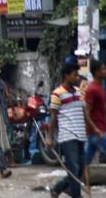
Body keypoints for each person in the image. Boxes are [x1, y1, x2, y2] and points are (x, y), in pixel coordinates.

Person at [46, 63, 89, 198]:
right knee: (74, 169)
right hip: (67, 135)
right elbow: (53, 118)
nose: (77, 77)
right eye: (74, 75)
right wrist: (49, 137)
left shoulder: (78, 92)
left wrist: (91, 128)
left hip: (81, 135)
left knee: (79, 168)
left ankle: (58, 189)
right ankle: (76, 195)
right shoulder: (57, 94)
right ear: (66, 75)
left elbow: (84, 113)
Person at [85, 60, 106, 165]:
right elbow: (86, 113)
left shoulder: (100, 87)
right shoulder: (92, 89)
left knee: (85, 164)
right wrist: (96, 129)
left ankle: (70, 181)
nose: (105, 71)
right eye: (103, 69)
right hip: (97, 133)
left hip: (99, 130)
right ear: (97, 72)